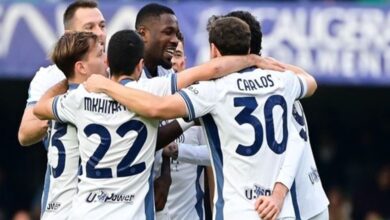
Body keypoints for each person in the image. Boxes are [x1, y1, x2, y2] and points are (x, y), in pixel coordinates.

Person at [33, 29, 284, 219]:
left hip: (86, 212)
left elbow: (41, 108)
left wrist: (66, 80)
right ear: (140, 66)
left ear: (109, 64)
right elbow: (212, 68)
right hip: (131, 213)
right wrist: (253, 59)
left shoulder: (79, 99)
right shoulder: (152, 90)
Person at [83, 17, 317, 220]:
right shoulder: (283, 82)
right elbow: (310, 81)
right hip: (280, 208)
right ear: (249, 48)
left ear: (214, 50)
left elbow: (156, 108)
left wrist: (106, 86)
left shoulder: (211, 91)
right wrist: (265, 63)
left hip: (239, 211)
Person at [216, 11, 329, 220]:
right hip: (313, 200)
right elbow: (309, 80)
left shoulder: (246, 90)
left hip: (290, 204)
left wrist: (278, 194)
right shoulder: (284, 80)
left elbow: (294, 143)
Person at [17, 1, 107, 219]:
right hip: (62, 201)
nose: (100, 34)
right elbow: (25, 134)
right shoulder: (49, 77)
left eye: (102, 26)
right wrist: (65, 109)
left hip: (106, 203)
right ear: (69, 34)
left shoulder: (115, 72)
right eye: (89, 28)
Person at [163, 32, 212, 220]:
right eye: (169, 54)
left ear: (185, 60)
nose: (173, 61)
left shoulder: (200, 104)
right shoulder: (145, 102)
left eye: (177, 55)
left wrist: (177, 150)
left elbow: (213, 157)